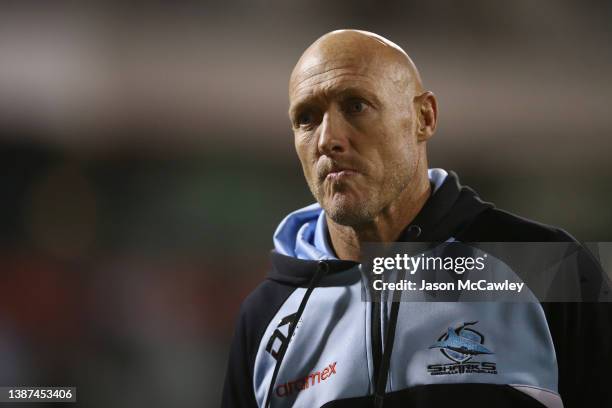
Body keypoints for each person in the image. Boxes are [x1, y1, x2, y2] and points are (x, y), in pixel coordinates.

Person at [221, 30, 610, 407]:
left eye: (356, 105)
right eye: (307, 118)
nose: (327, 139)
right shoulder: (267, 314)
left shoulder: (550, 265)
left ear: (424, 117)